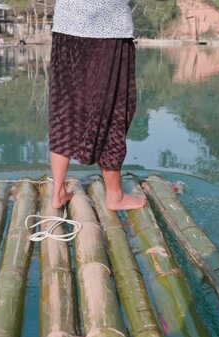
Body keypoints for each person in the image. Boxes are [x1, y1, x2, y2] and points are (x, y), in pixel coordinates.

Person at [48, 0, 146, 210]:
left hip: (67, 26)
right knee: (114, 110)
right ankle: (115, 195)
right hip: (109, 29)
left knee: (64, 109)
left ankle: (57, 193)